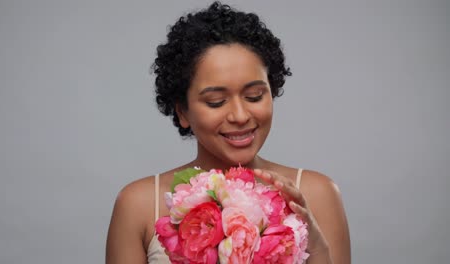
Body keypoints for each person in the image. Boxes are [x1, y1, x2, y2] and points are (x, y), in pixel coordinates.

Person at [106, 2, 350, 263]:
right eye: (216, 102)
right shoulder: (137, 205)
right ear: (183, 112)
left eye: (254, 96)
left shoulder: (317, 195)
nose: (240, 115)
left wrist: (315, 246)